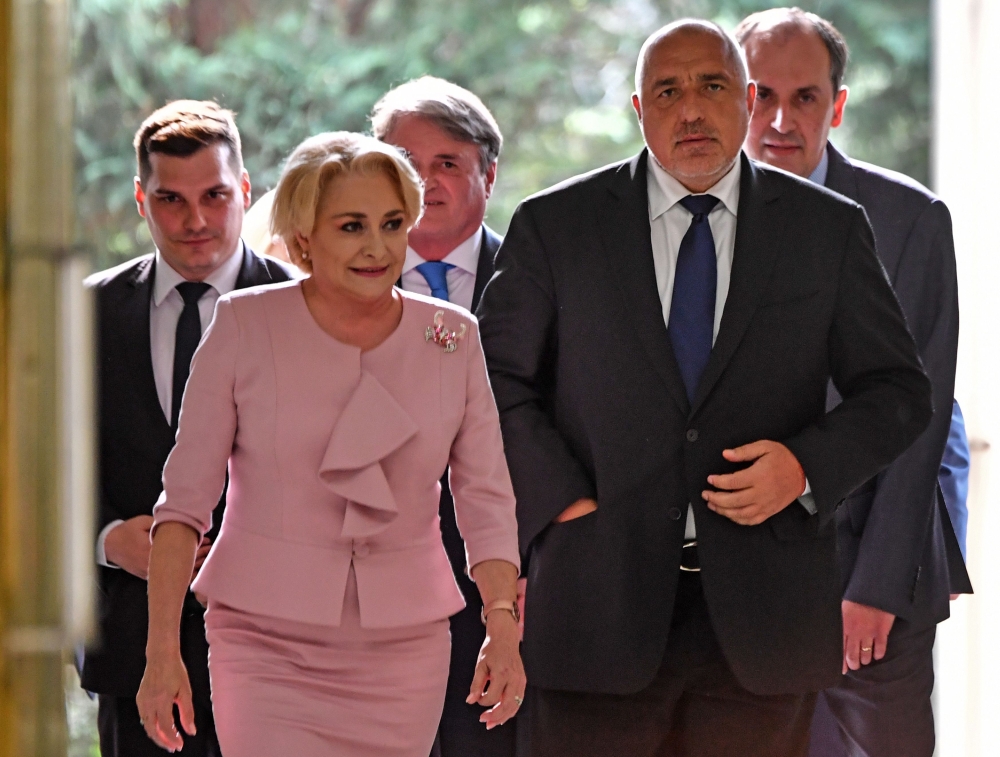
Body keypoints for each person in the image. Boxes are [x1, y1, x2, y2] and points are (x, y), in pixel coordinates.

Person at [477, 20, 933, 757]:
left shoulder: (828, 230)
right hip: (597, 611)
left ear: (746, 101)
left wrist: (806, 467)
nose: (691, 108)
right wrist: (560, 496)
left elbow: (898, 390)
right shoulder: (555, 225)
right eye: (668, 90)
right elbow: (493, 381)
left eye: (712, 86)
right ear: (638, 109)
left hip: (764, 625)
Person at [135, 131, 525, 757]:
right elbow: (181, 508)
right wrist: (161, 653)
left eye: (393, 224)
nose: (377, 248)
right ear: (304, 236)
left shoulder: (452, 337)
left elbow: (486, 496)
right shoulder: (242, 323)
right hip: (263, 645)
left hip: (405, 650)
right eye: (351, 227)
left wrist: (501, 624)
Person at [736, 9, 973, 756]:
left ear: (835, 106)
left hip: (870, 569)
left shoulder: (910, 220)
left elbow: (921, 419)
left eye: (803, 97)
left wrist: (874, 586)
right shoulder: (687, 220)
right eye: (759, 94)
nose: (779, 119)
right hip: (733, 576)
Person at [80, 100, 293, 757]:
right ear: (142, 198)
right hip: (128, 648)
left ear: (246, 190)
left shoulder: (308, 310)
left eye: (216, 195)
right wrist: (107, 539)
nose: (196, 220)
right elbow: (35, 474)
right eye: (172, 199)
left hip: (279, 649)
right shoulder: (80, 315)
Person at [371, 76, 515, 757]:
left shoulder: (543, 281)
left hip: (506, 610)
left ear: (489, 172)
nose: (425, 183)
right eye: (405, 165)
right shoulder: (323, 292)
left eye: (447, 164)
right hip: (361, 620)